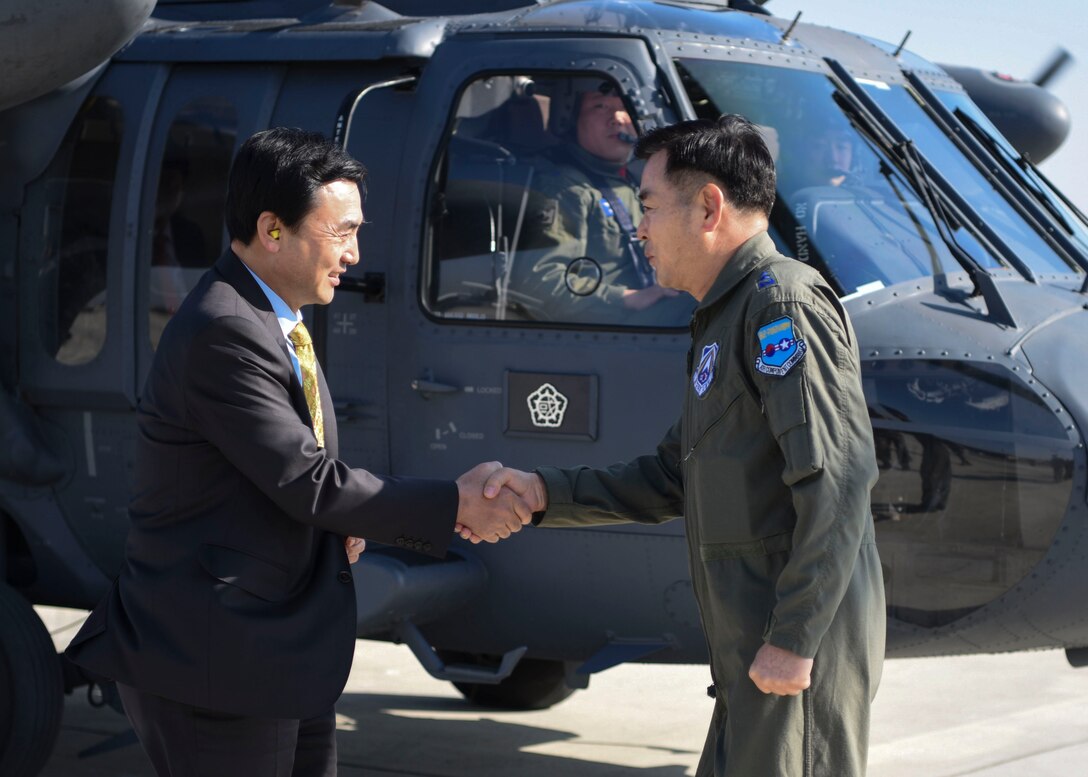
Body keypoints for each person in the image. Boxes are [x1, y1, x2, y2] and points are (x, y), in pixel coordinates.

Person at [65, 128, 530, 777]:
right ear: (272, 229)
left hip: (276, 655)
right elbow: (305, 480)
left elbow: (278, 483)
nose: (355, 252)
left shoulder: (270, 319)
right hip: (218, 663)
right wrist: (454, 502)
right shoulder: (225, 330)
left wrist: (342, 525)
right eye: (340, 231)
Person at [473, 116, 886, 776]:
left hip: (789, 654)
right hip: (754, 653)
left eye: (649, 205)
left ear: (709, 206)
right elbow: (675, 474)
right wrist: (546, 492)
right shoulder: (726, 314)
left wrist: (794, 639)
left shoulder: (781, 303)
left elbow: (836, 477)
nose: (639, 229)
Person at [514, 84, 692, 325]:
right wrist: (628, 298)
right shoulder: (567, 188)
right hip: (607, 328)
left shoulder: (630, 180)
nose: (617, 119)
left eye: (624, 108)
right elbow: (541, 283)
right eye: (600, 106)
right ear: (571, 119)